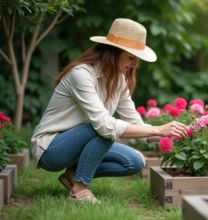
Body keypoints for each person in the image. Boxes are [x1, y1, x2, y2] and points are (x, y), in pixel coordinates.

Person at [31, 18, 188, 204]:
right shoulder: (81, 74)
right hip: (52, 149)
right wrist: (158, 129)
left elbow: (137, 125)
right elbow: (105, 126)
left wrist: (173, 133)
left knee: (134, 162)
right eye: (131, 56)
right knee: (105, 127)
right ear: (113, 52)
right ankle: (79, 189)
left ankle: (73, 175)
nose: (135, 63)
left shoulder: (118, 81)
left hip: (81, 142)